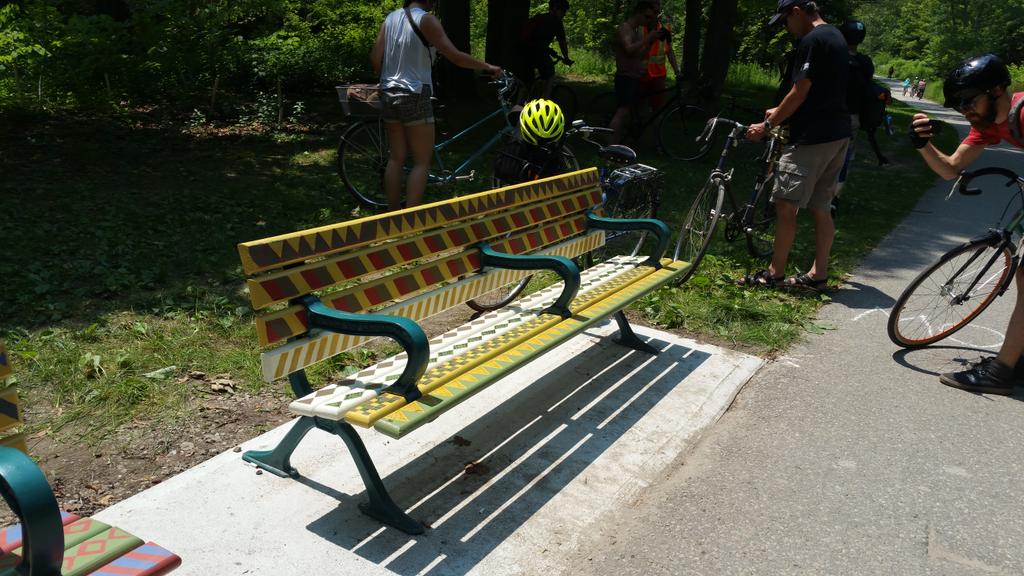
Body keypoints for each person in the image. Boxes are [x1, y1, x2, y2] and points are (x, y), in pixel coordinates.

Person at [909, 53, 1024, 394]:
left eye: (969, 101)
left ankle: (1001, 373)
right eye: (959, 105)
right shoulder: (989, 126)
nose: (965, 110)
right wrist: (922, 144)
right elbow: (949, 168)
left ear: (997, 90)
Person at [740, 0, 850, 291]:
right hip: (838, 133)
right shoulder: (835, 36)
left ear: (797, 12)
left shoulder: (812, 40)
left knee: (786, 205)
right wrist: (779, 110)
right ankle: (819, 275)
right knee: (821, 206)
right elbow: (819, 90)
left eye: (785, 21)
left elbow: (800, 91)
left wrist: (768, 125)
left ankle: (774, 273)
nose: (786, 28)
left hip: (812, 138)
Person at [370, 0, 502, 211]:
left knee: (395, 158)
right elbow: (456, 57)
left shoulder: (390, 19)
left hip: (388, 92)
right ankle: (410, 221)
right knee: (421, 162)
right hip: (414, 93)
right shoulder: (427, 20)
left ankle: (392, 217)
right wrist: (488, 67)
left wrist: (386, 78)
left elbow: (376, 58)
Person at [836, 18, 887, 202]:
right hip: (853, 117)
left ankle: (816, 194)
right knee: (845, 156)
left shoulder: (833, 56)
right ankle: (835, 196)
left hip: (828, 114)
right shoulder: (865, 62)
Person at [609, 1, 661, 144]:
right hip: (625, 77)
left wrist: (650, 42)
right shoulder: (625, 28)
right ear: (639, 13)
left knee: (633, 111)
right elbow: (629, 49)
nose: (648, 20)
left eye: (651, 17)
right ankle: (611, 149)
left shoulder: (636, 30)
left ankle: (623, 142)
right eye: (647, 16)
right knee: (622, 112)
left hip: (634, 76)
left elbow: (639, 54)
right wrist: (647, 39)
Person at [517, 0, 573, 100]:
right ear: (555, 9)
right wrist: (566, 58)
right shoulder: (556, 22)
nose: (564, 14)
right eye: (563, 11)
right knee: (550, 75)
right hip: (538, 53)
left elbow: (534, 38)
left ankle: (517, 108)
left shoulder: (539, 17)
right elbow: (562, 43)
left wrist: (550, 51)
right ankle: (545, 102)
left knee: (526, 82)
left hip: (523, 51)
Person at [639, 0, 681, 113]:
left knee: (658, 110)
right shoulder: (639, 28)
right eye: (653, 5)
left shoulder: (665, 30)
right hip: (640, 75)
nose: (655, 10)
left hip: (658, 76)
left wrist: (677, 71)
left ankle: (656, 129)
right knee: (638, 108)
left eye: (657, 6)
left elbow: (669, 51)